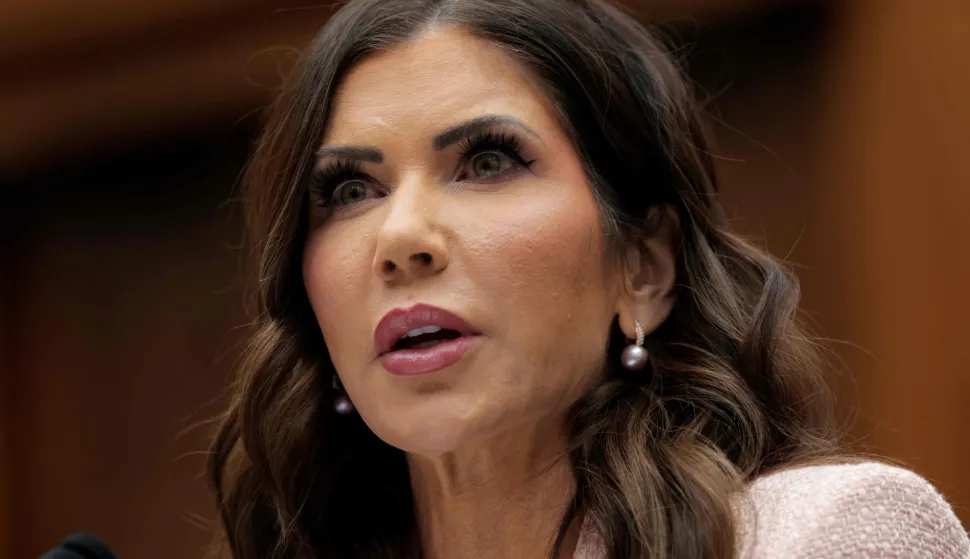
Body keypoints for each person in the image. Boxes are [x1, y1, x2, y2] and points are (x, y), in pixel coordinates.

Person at [207, 0, 970, 557]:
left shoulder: (823, 537)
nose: (400, 237)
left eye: (487, 162)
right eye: (349, 190)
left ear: (644, 267)